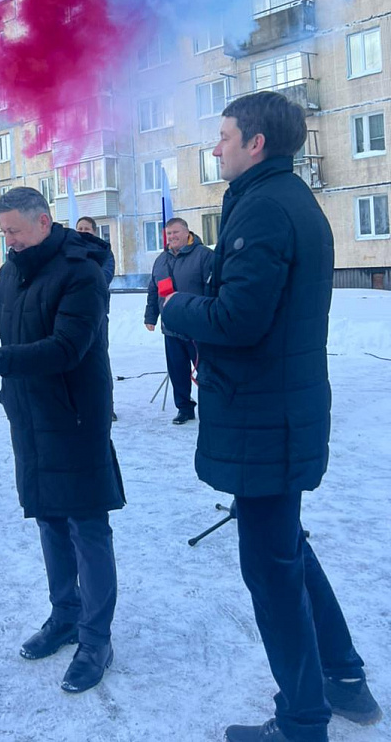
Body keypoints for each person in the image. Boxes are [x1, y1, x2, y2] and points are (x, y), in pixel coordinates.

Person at [161, 92, 382, 742]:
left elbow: (239, 318)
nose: (215, 146)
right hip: (278, 409)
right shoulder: (282, 199)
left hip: (269, 418)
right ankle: (344, 679)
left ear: (255, 142)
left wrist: (175, 309)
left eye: (224, 135)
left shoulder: (263, 208)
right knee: (287, 548)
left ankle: (303, 720)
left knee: (271, 567)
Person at [0, 187, 125, 694]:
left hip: (74, 416)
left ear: (44, 222)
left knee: (87, 527)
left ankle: (96, 638)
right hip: (27, 413)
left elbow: (68, 347)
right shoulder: (13, 266)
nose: (8, 241)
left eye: (15, 232)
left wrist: (0, 362)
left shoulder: (80, 271)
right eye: (3, 233)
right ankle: (64, 615)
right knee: (48, 518)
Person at [144, 218, 213, 424]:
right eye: (169, 234)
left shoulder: (204, 256)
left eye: (176, 233)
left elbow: (214, 289)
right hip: (171, 328)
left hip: (198, 328)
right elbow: (153, 290)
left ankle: (213, 407)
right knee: (177, 371)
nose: (172, 237)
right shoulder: (161, 261)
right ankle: (184, 408)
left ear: (187, 232)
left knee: (207, 372)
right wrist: (150, 316)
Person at [75, 216, 116, 420]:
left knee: (99, 361)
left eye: (87, 229)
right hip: (72, 315)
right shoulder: (69, 251)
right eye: (79, 228)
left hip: (97, 314)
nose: (83, 231)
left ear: (94, 231)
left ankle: (107, 406)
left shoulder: (104, 252)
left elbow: (104, 277)